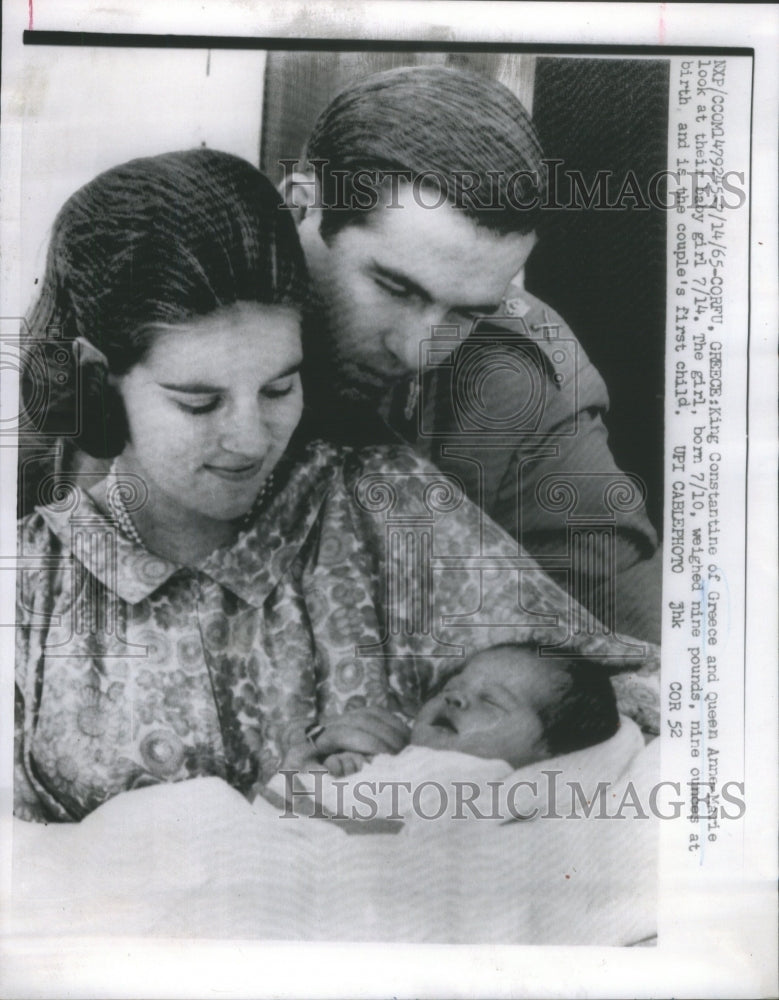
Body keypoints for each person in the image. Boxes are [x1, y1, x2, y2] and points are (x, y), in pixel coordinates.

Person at [15, 149, 660, 824]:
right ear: (96, 382)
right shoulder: (32, 583)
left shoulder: (385, 506)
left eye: (278, 387)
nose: (251, 439)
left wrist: (421, 781)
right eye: (198, 402)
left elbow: (632, 706)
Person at [282, 64, 662, 643]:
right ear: (300, 206)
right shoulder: (161, 302)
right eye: (395, 288)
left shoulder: (525, 375)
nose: (418, 351)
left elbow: (646, 643)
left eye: (468, 311)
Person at [264, 644, 643, 825]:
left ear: (548, 751)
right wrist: (346, 769)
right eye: (453, 686)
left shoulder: (475, 778)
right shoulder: (415, 761)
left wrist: (307, 777)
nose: (456, 697)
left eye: (491, 702)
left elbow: (361, 818)